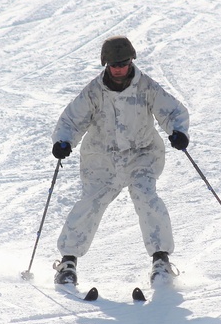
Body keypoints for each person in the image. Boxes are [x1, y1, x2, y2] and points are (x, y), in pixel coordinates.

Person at [51, 36, 190, 288]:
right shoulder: (94, 92)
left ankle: (161, 260)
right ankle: (67, 263)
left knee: (145, 196)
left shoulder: (146, 87)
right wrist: (64, 141)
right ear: (106, 65)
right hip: (102, 159)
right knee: (91, 202)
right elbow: (72, 120)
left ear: (131, 61)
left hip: (142, 154)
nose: (119, 69)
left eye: (123, 63)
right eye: (114, 65)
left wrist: (178, 131)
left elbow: (173, 111)